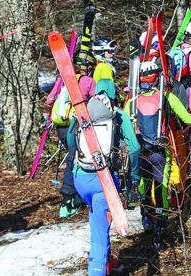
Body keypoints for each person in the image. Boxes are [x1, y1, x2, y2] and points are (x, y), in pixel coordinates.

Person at [68, 93, 140, 276]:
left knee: (97, 220)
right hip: (104, 181)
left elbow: (70, 141)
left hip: (80, 178)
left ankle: (106, 262)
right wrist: (134, 178)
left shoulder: (82, 113)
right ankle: (98, 269)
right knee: (99, 235)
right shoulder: (118, 115)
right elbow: (135, 149)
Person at [128, 60, 191, 247]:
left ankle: (146, 219)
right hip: (159, 151)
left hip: (140, 152)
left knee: (145, 185)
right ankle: (160, 232)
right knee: (161, 189)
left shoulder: (132, 101)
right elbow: (188, 118)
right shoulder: (166, 97)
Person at [53, 58, 96, 218]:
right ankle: (68, 199)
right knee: (74, 159)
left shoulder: (62, 81)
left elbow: (49, 100)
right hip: (77, 126)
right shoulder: (88, 81)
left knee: (73, 158)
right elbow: (98, 101)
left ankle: (75, 194)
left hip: (61, 128)